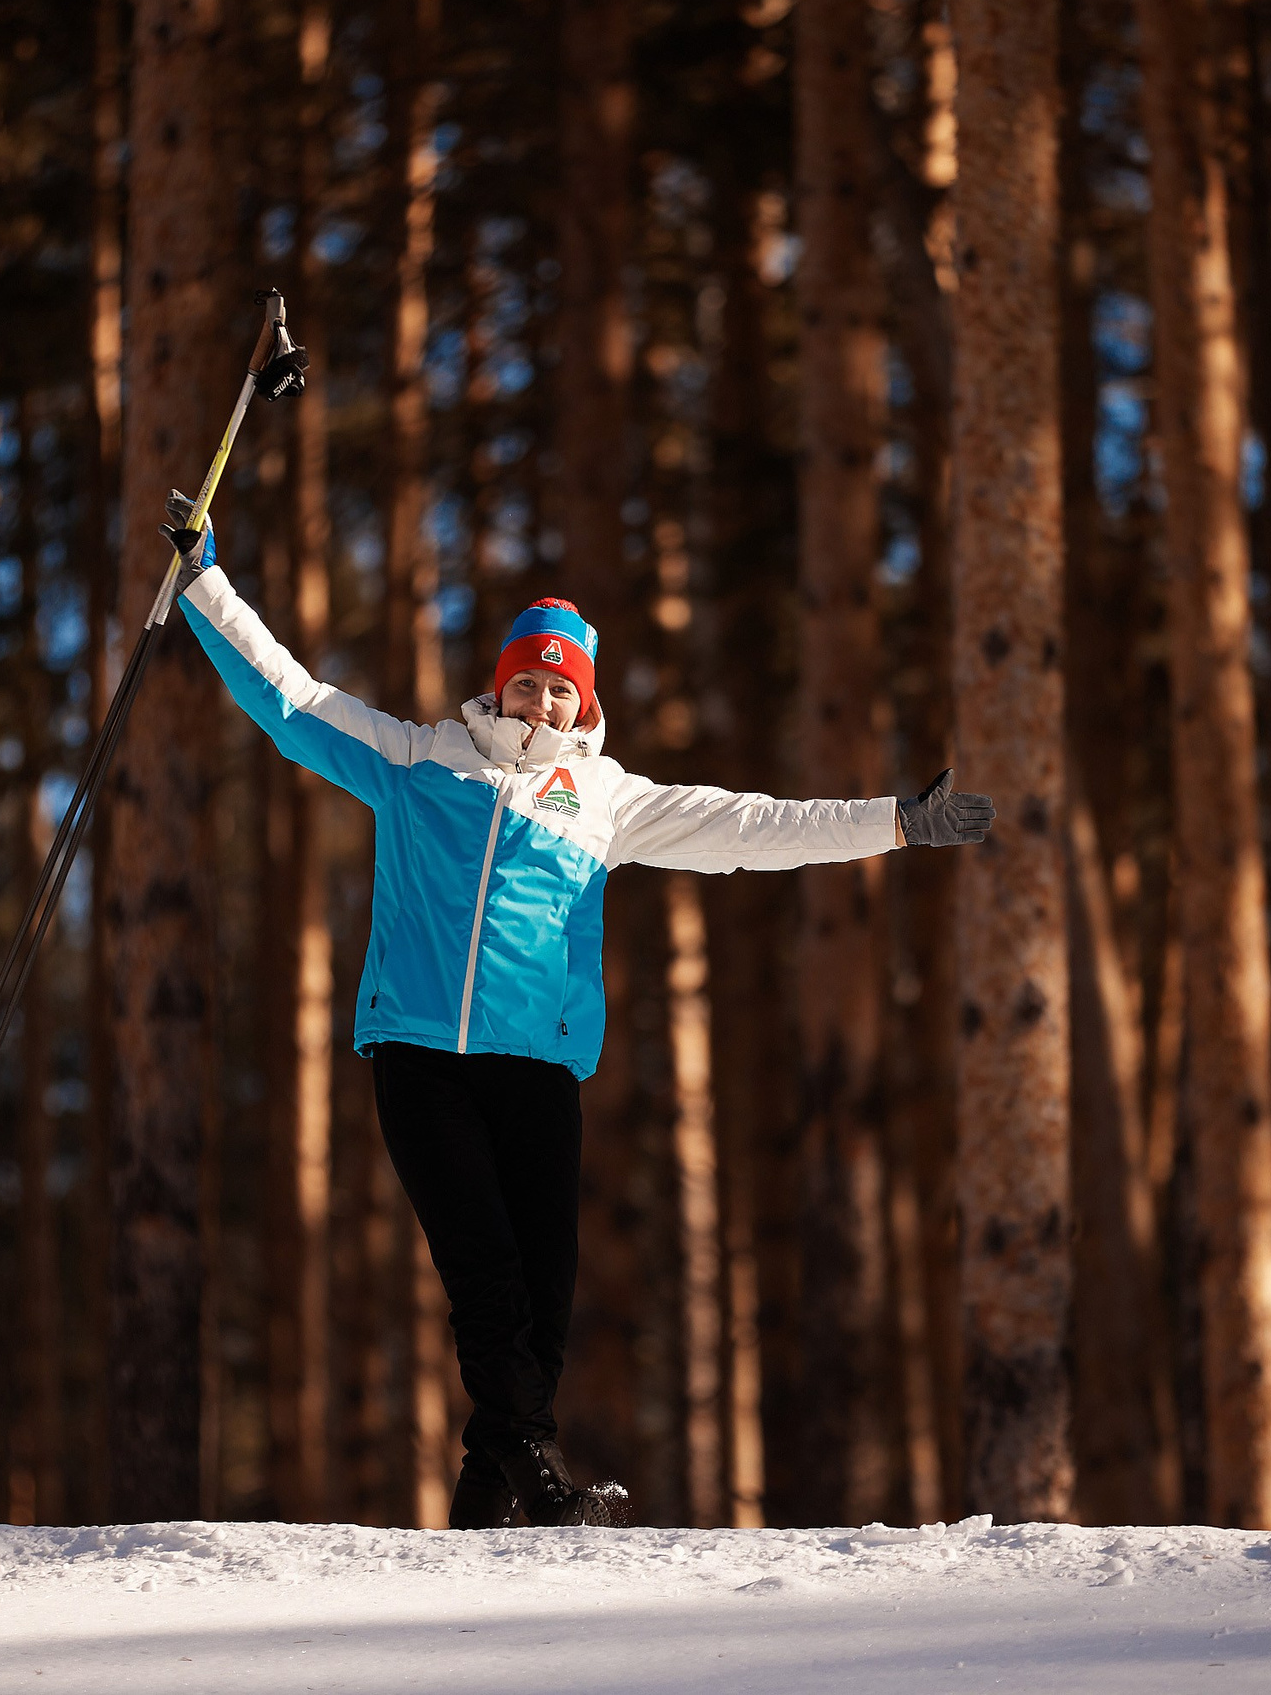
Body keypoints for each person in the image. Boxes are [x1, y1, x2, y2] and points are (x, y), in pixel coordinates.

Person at [163, 494, 994, 1528]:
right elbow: (288, 699)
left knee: (545, 1283)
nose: (543, 700)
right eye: (527, 680)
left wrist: (900, 824)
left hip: (537, 1069)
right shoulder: (417, 762)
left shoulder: (607, 801)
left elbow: (755, 825)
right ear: (498, 682)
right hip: (420, 1059)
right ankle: (533, 1470)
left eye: (562, 689)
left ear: (583, 704)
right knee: (485, 1271)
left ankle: (489, 1485)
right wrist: (203, 580)